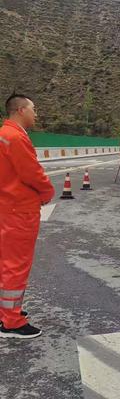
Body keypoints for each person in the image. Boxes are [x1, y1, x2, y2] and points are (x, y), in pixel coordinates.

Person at [0, 94, 55, 338]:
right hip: (18, 210)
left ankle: (6, 313)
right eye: (33, 109)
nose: (36, 113)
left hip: (7, 207)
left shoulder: (5, 134)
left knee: (6, 263)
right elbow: (32, 173)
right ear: (21, 110)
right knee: (16, 266)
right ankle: (11, 322)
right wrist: (47, 191)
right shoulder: (15, 137)